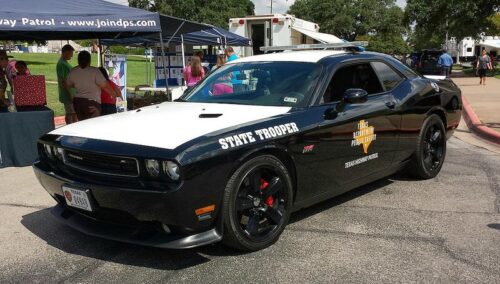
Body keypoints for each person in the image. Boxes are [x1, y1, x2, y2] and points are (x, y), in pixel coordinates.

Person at [66, 51, 115, 121]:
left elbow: (67, 84)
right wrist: (112, 93)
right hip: (92, 103)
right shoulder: (95, 71)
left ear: (78, 60)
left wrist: (73, 90)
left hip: (78, 102)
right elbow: (104, 85)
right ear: (89, 60)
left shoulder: (73, 71)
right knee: (93, 125)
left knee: (82, 124)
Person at [57, 44, 77, 124]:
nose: (72, 56)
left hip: (71, 92)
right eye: (71, 53)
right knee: (70, 113)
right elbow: (64, 81)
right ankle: (70, 129)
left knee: (73, 113)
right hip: (68, 93)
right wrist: (70, 94)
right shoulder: (61, 64)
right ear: (66, 52)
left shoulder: (64, 63)